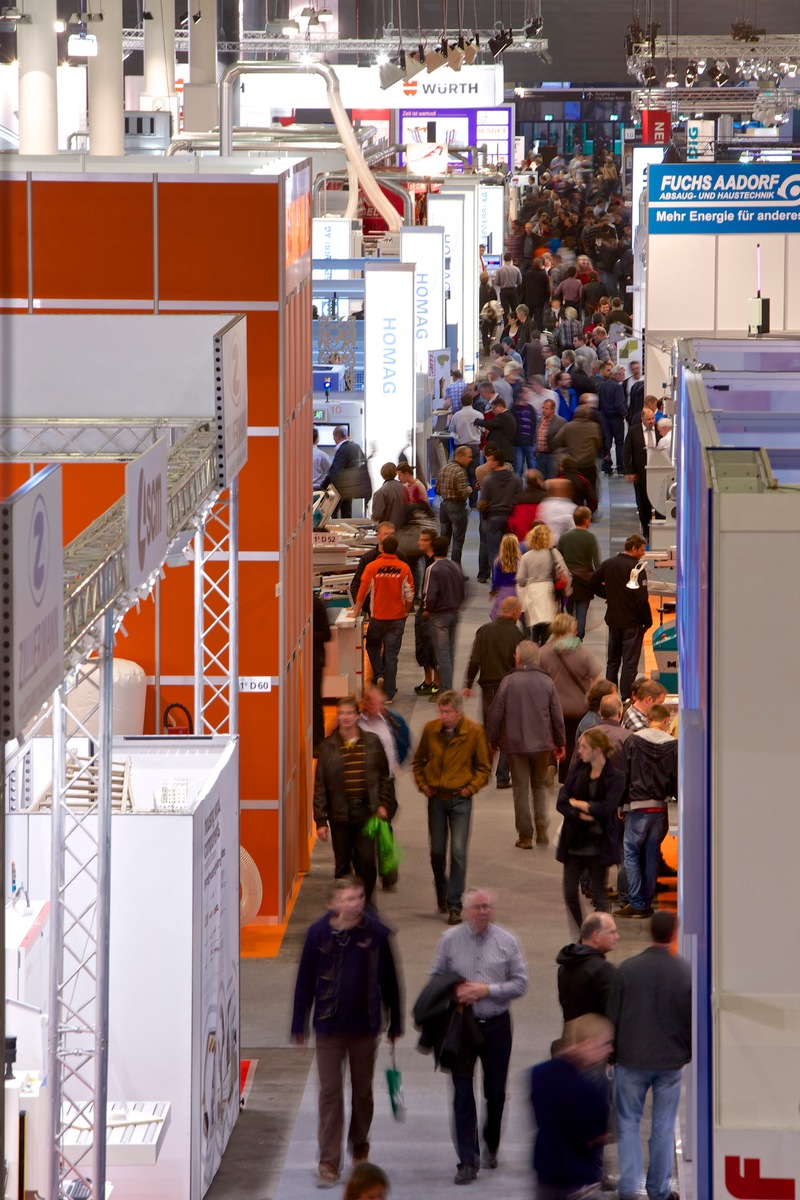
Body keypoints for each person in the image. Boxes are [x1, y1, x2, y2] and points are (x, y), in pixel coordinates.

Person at [291, 877, 403, 1189]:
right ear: (333, 903)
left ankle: (360, 1143)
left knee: (362, 1092)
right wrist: (298, 1022)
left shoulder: (377, 934)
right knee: (330, 1093)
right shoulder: (317, 935)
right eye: (348, 898)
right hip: (328, 1026)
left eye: (359, 896)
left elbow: (391, 980)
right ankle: (329, 1161)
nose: (355, 903)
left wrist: (395, 1023)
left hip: (365, 1026)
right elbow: (305, 980)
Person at [430, 887, 528, 1184]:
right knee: (462, 1092)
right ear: (467, 911)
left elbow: (520, 983)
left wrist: (487, 990)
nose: (483, 911)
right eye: (477, 907)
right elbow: (435, 978)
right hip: (462, 1025)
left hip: (497, 1025)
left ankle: (491, 1141)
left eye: (487, 906)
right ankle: (467, 1160)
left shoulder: (507, 942)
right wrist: (455, 991)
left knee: (495, 1092)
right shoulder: (449, 941)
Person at [608, 911, 691, 1200]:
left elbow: (613, 1015)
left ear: (648, 931)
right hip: (670, 1061)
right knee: (664, 1127)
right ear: (674, 934)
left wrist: (613, 1054)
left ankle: (629, 1187)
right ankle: (659, 1189)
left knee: (628, 1121)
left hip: (631, 1059)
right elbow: (691, 1018)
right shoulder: (685, 971)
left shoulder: (628, 969)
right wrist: (686, 1051)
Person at [412, 692, 492, 923]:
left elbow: (483, 768)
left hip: (460, 800)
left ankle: (455, 904)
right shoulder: (430, 730)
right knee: (437, 851)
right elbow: (419, 762)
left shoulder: (474, 732)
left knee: (458, 852)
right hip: (436, 799)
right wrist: (423, 784)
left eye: (447, 712)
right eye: (441, 712)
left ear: (458, 713)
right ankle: (442, 890)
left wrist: (470, 789)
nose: (443, 717)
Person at [313, 697, 396, 903]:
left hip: (366, 812)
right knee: (342, 865)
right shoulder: (327, 747)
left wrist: (384, 804)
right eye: (341, 713)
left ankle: (366, 905)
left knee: (366, 862)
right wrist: (321, 820)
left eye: (349, 713)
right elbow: (320, 785)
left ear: (357, 716)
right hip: (339, 814)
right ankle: (343, 906)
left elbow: (383, 777)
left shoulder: (372, 742)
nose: (345, 717)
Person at [487, 641, 566, 848]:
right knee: (538, 785)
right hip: (542, 745)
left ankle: (525, 835)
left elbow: (495, 714)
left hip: (515, 744)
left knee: (520, 788)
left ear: (518, 658)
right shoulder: (547, 682)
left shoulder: (508, 682)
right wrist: (560, 742)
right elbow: (556, 715)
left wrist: (492, 742)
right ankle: (541, 825)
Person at [530, 1013, 615, 1200]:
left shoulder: (540, 1074)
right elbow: (595, 1139)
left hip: (546, 1172)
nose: (610, 1049)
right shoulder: (589, 1092)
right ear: (588, 1043)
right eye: (605, 1043)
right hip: (578, 1182)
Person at [556, 728, 625, 934]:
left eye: (583, 747)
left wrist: (579, 804)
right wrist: (579, 812)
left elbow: (607, 808)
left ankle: (603, 935)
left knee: (599, 895)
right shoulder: (578, 770)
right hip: (574, 842)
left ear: (597, 750)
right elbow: (562, 801)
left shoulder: (616, 777)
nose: (579, 751)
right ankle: (583, 934)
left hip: (598, 845)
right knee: (569, 893)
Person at [617, 704, 678, 920]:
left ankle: (637, 902)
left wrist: (621, 804)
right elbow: (676, 779)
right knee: (652, 853)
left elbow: (624, 773)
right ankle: (648, 899)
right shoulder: (673, 745)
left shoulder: (633, 741)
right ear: (666, 720)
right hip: (660, 807)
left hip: (637, 806)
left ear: (648, 717)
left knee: (632, 853)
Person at [463, 595, 526, 791]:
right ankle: (502, 775)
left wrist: (468, 683)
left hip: (488, 688)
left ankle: (482, 768)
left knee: (487, 728)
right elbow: (523, 664)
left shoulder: (484, 631)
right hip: (510, 688)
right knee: (508, 730)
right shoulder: (518, 636)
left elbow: (475, 659)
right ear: (515, 612)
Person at [589, 534, 653, 700]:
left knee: (613, 661)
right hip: (632, 623)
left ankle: (609, 695)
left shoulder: (609, 563)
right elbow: (641, 599)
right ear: (633, 548)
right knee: (629, 664)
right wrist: (647, 620)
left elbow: (592, 581)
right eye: (641, 550)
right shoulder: (637, 569)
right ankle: (625, 697)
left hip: (613, 620)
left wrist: (608, 595)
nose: (643, 554)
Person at [352, 535, 415, 701]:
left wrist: (356, 611)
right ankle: (389, 693)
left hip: (378, 618)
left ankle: (379, 673)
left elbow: (362, 591)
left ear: (381, 547)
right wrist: (406, 611)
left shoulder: (373, 567)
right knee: (391, 655)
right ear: (396, 550)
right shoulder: (404, 568)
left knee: (372, 646)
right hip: (397, 619)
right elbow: (410, 594)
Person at [539, 612, 600, 774]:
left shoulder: (543, 653)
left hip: (551, 707)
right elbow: (598, 679)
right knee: (573, 743)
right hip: (578, 708)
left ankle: (550, 763)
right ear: (570, 630)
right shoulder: (583, 652)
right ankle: (567, 774)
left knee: (551, 738)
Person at [422, 536, 467, 692]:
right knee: (450, 653)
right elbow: (464, 590)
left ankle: (446, 690)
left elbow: (430, 594)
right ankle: (447, 687)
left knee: (442, 656)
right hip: (454, 613)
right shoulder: (455, 566)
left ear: (433, 549)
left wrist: (428, 609)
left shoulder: (432, 569)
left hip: (439, 616)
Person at [557, 912, 619, 1021]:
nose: (617, 936)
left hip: (572, 1033)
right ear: (596, 936)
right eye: (612, 932)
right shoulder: (603, 971)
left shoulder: (565, 965)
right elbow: (614, 1013)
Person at [516, 522, 570, 645]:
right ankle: (544, 648)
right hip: (549, 591)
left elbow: (520, 579)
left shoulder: (526, 556)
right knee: (548, 624)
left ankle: (535, 647)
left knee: (535, 625)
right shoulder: (553, 553)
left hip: (532, 592)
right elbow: (564, 572)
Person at [557, 506, 601, 640]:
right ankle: (578, 638)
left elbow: (559, 557)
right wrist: (600, 579)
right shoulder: (590, 538)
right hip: (585, 581)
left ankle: (569, 635)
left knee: (569, 612)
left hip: (568, 581)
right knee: (582, 614)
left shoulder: (565, 536)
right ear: (587, 520)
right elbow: (597, 562)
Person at [349, 522, 409, 615]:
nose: (389, 537)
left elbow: (408, 586)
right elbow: (357, 584)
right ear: (378, 535)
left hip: (396, 611)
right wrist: (357, 606)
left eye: (392, 534)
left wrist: (406, 609)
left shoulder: (401, 557)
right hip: (373, 610)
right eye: (386, 534)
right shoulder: (368, 558)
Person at [478, 447, 522, 568]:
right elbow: (519, 497)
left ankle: (497, 579)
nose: (488, 463)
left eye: (490, 460)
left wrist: (484, 514)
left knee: (494, 551)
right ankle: (511, 575)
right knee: (511, 549)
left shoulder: (488, 480)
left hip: (493, 517)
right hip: (511, 517)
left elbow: (482, 502)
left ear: (497, 462)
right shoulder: (515, 479)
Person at [624, 406, 660, 541]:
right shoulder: (634, 431)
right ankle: (646, 530)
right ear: (642, 419)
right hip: (641, 474)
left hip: (658, 473)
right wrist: (629, 471)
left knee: (658, 502)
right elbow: (627, 452)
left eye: (653, 418)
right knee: (643, 503)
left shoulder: (659, 429)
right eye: (648, 419)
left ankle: (658, 529)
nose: (651, 421)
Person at [551, 405, 603, 495]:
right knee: (590, 489)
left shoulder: (568, 426)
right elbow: (598, 443)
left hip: (573, 465)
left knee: (574, 491)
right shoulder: (594, 426)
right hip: (589, 464)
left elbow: (556, 441)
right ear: (588, 415)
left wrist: (566, 446)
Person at [436, 446, 473, 567]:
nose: (470, 460)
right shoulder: (460, 471)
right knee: (458, 541)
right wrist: (469, 490)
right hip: (457, 507)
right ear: (460, 456)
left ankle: (441, 566)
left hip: (444, 506)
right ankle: (455, 570)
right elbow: (462, 493)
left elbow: (437, 490)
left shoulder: (443, 469)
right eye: (469, 457)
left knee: (444, 539)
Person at [413, 528, 440, 696]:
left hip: (432, 612)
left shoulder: (436, 563)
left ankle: (437, 681)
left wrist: (429, 609)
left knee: (433, 647)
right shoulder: (424, 559)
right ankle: (427, 680)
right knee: (422, 646)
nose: (419, 542)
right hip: (423, 610)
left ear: (431, 543)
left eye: (423, 540)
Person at [324, 426, 368, 518]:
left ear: (336, 436)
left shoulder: (342, 449)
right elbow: (363, 459)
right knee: (347, 514)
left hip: (339, 487)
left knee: (332, 514)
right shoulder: (355, 446)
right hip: (351, 487)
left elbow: (336, 471)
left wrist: (325, 487)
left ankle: (334, 533)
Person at [312, 591, 332, 754]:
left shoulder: (315, 604)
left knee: (314, 702)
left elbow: (326, 634)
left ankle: (318, 743)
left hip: (314, 661)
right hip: (303, 660)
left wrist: (303, 636)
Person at [489, 532, 522, 620]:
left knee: (500, 613)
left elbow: (496, 579)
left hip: (503, 591)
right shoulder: (520, 560)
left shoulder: (499, 561)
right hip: (517, 590)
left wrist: (493, 590)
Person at [508, 469, 547, 542]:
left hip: (522, 537)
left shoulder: (518, 498)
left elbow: (512, 522)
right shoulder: (546, 498)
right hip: (541, 537)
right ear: (539, 481)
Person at [537, 478, 577, 544]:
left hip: (544, 544)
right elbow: (575, 531)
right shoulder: (571, 508)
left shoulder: (544, 504)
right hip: (562, 546)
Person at [533, 397, 565, 480]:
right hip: (540, 455)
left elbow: (563, 440)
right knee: (540, 478)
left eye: (546, 408)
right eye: (543, 408)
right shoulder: (540, 420)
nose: (543, 410)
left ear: (553, 410)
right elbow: (536, 436)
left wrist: (559, 453)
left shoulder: (560, 421)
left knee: (552, 479)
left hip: (553, 455)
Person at [370, 463, 406, 529]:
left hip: (388, 530)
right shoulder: (405, 488)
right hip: (405, 529)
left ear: (382, 474)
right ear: (395, 472)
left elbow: (377, 515)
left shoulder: (381, 492)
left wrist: (371, 517)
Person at [494, 252, 523, 318]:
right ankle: (516, 324)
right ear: (511, 259)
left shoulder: (499, 270)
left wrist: (502, 284)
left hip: (504, 291)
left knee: (505, 310)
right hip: (513, 290)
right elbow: (520, 281)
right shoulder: (516, 269)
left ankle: (506, 325)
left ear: (504, 260)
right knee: (515, 308)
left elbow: (496, 282)